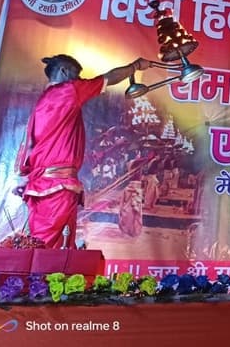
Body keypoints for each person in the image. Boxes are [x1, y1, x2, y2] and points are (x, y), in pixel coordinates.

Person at [14, 54, 152, 248]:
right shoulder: (66, 92)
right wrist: (135, 66)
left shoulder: (45, 101)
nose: (79, 80)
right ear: (63, 72)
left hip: (46, 185)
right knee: (49, 247)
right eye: (76, 75)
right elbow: (107, 78)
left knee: (54, 243)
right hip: (56, 187)